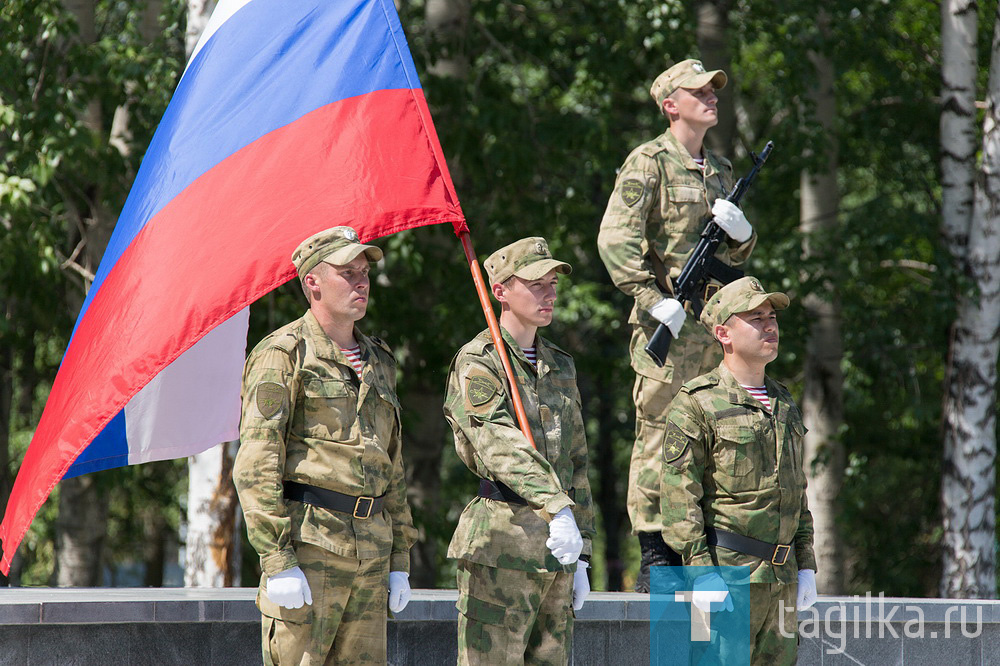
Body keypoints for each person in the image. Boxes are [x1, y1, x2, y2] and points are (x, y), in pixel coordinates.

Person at [597, 58, 758, 591]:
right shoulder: (648, 162)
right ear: (671, 104)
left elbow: (734, 260)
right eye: (699, 91)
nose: (712, 96)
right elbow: (614, 239)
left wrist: (742, 235)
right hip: (668, 324)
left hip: (714, 331)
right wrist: (648, 298)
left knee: (711, 434)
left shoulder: (722, 170)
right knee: (659, 433)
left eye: (714, 89)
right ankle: (656, 551)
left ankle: (701, 540)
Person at [233, 226, 417, 665]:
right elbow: (257, 461)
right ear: (312, 281)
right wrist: (277, 559)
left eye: (364, 272)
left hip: (371, 550)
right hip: (310, 548)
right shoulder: (284, 354)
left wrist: (400, 557)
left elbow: (392, 465)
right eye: (347, 272)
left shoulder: (379, 360)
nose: (361, 282)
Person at [443, 237, 596, 665]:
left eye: (552, 283)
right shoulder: (480, 362)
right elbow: (498, 444)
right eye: (535, 283)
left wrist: (583, 547)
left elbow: (577, 462)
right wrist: (557, 507)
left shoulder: (560, 364)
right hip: (502, 545)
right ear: (501, 291)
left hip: (558, 550)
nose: (549, 293)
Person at [659, 276, 817, 664]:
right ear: (723, 333)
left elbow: (796, 491)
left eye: (771, 317)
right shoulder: (696, 402)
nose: (769, 325)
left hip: (781, 580)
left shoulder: (784, 402)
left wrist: (806, 564)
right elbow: (679, 499)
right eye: (755, 317)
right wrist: (699, 574)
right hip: (723, 576)